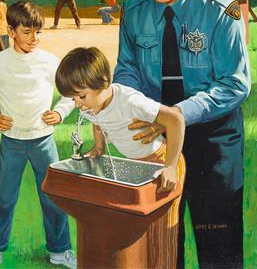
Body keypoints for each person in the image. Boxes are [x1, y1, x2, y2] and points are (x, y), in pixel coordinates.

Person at [113, 0, 251, 268]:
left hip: (212, 135)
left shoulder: (220, 10)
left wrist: (175, 116)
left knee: (217, 236)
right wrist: (140, 111)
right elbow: (126, 69)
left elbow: (235, 83)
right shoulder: (134, 11)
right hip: (154, 135)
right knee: (160, 237)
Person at [0, 1, 76, 269]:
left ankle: (60, 251)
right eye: (27, 32)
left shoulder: (50, 61)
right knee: (3, 197)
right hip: (12, 142)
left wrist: (60, 113)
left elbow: (71, 92)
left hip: (44, 140)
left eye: (38, 32)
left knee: (53, 197)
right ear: (11, 31)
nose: (34, 38)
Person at [55, 46, 186, 269]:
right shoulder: (90, 104)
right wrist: (99, 145)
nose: (77, 104)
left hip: (162, 161)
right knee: (139, 233)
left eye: (81, 96)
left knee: (161, 233)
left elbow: (175, 120)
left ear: (103, 82)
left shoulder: (129, 101)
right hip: (137, 164)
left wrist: (170, 167)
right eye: (73, 98)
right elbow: (97, 119)